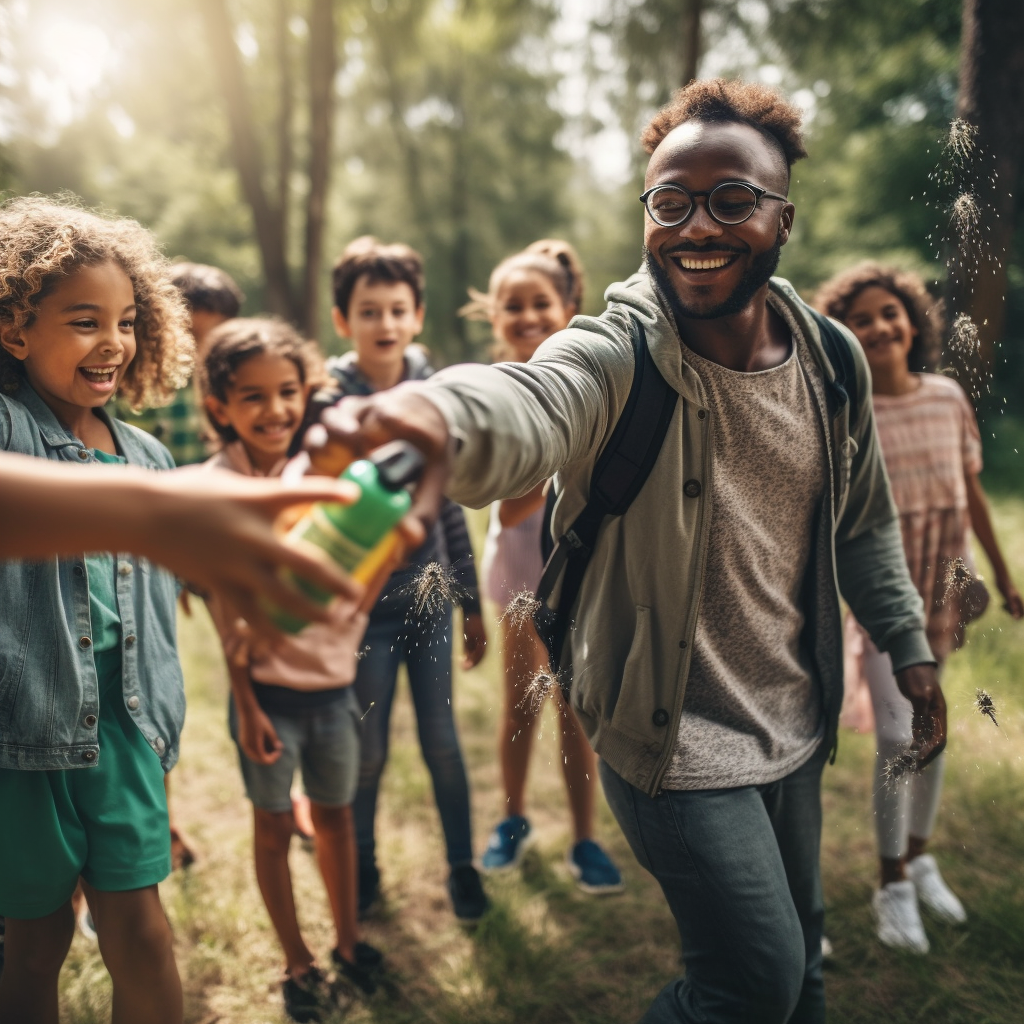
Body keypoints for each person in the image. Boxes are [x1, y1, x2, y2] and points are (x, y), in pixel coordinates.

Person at [310, 79, 946, 1024]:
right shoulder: (618, 351)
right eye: (670, 200)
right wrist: (434, 412)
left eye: (732, 200)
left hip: (794, 715)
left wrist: (908, 641)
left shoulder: (832, 361)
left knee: (803, 970)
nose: (697, 224)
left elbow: (863, 521)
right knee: (752, 983)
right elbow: (532, 400)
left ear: (784, 218)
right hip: (671, 733)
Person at [0, 195, 194, 1024]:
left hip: (127, 729)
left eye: (124, 320)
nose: (111, 342)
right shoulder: (8, 433)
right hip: (24, 733)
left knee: (143, 933)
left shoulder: (148, 456)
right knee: (36, 938)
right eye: (83, 321)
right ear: (15, 330)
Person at [814, 263, 1023, 954]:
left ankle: (920, 852)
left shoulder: (947, 398)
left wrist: (1001, 571)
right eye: (860, 320)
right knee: (899, 738)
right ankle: (890, 881)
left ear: (912, 320)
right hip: (883, 597)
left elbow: (969, 494)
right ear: (843, 337)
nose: (877, 327)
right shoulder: (847, 412)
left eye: (888, 313)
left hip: (943, 590)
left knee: (933, 730)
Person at [197, 318, 382, 1021]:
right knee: (274, 826)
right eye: (252, 397)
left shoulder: (327, 470)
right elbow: (224, 619)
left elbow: (372, 561)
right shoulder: (215, 488)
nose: (274, 411)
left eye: (287, 393)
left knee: (335, 818)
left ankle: (348, 943)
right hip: (266, 700)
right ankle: (296, 960)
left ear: (308, 392)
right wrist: (244, 703)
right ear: (220, 406)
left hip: (334, 693)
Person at [311, 236, 490, 922]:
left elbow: (448, 512)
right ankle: (362, 868)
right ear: (342, 320)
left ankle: (462, 868)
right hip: (361, 616)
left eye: (396, 310)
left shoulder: (433, 399)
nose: (383, 324)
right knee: (366, 752)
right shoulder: (328, 407)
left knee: (443, 745)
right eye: (368, 311)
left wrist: (470, 605)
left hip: (429, 606)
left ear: (416, 317)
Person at [463, 240, 622, 893]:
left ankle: (586, 840)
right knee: (522, 702)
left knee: (574, 708)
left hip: (583, 566)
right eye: (512, 306)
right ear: (494, 317)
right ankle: (512, 820)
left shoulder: (595, 382)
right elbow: (507, 506)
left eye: (539, 303)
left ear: (568, 307)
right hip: (522, 563)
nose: (527, 316)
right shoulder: (492, 387)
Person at [120, 262, 244, 466]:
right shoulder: (132, 382)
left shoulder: (231, 384)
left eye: (216, 337)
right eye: (190, 336)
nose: (202, 349)